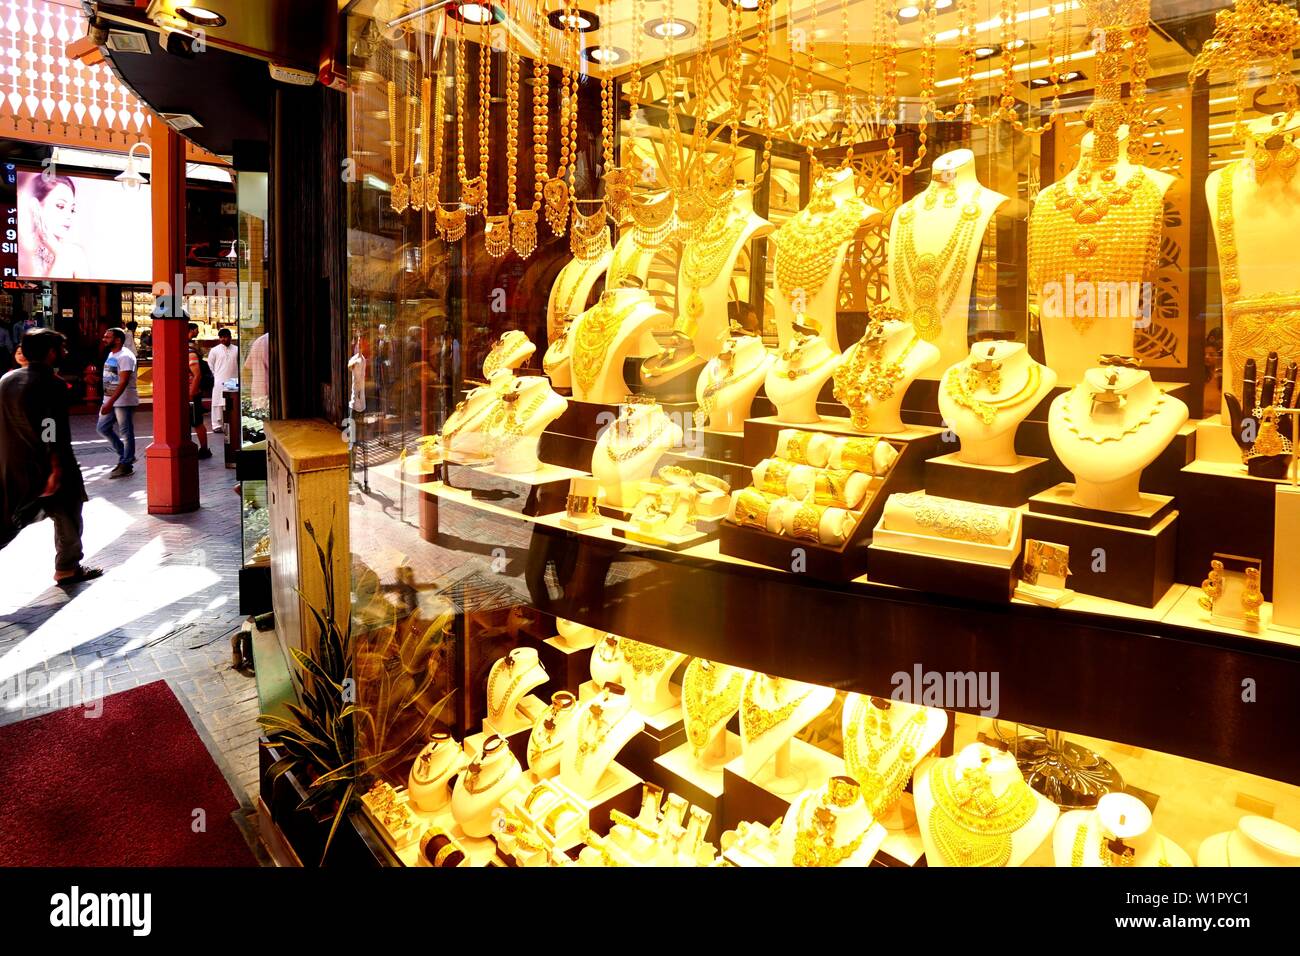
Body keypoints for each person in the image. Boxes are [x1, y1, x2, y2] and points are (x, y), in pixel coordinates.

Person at [0, 329, 101, 584]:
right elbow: (50, 427)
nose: (65, 353)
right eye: (61, 349)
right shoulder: (52, 384)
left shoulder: (6, 380)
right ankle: (67, 567)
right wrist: (55, 467)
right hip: (50, 464)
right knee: (68, 511)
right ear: (51, 352)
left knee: (10, 520)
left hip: (13, 464)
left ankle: (68, 565)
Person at [17, 174, 89, 279]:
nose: (69, 216)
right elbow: (42, 292)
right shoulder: (23, 254)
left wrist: (58, 251)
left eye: (72, 209)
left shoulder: (75, 253)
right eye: (60, 206)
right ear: (36, 207)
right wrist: (59, 255)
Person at [97, 327, 139, 478]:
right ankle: (126, 455)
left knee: (126, 432)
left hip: (123, 400)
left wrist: (110, 402)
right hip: (109, 399)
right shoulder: (112, 354)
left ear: (118, 340)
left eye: (107, 337)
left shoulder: (126, 356)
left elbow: (123, 382)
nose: (104, 339)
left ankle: (126, 463)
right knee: (102, 428)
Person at [206, 327, 239, 433]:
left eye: (225, 337)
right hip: (219, 380)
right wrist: (216, 376)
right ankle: (216, 425)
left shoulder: (236, 349)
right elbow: (210, 365)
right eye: (221, 337)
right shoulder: (214, 350)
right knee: (217, 403)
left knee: (230, 402)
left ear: (230, 337)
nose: (222, 339)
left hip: (233, 379)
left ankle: (231, 422)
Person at [187, 322, 212, 459]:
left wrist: (192, 392)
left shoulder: (190, 352)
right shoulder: (188, 348)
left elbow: (197, 374)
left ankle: (204, 449)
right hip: (188, 393)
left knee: (197, 422)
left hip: (192, 393)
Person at [244, 331, 270, 411]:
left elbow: (247, 367)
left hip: (258, 394)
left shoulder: (258, 341)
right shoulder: (269, 341)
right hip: (268, 394)